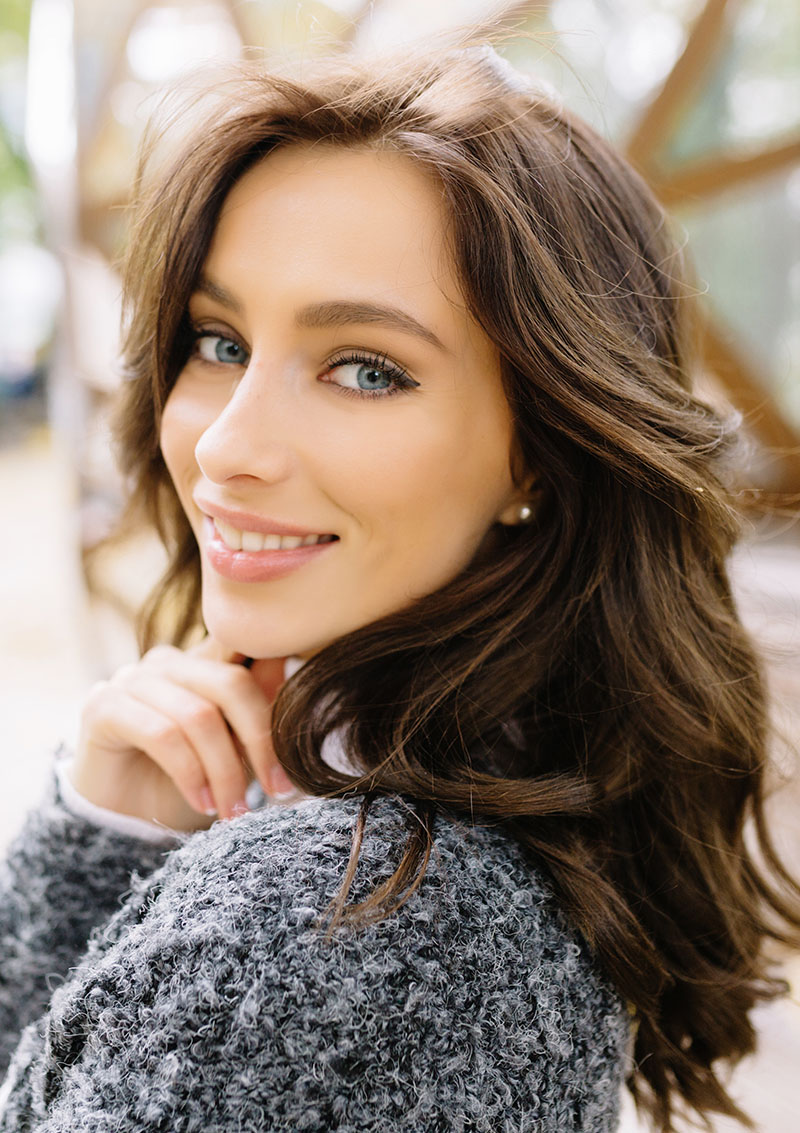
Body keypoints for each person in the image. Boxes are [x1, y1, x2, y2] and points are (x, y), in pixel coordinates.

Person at [1, 41, 798, 1133]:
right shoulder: (520, 826)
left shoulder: (327, 915)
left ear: (541, 452)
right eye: (218, 341)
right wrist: (106, 834)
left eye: (365, 369)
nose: (226, 446)